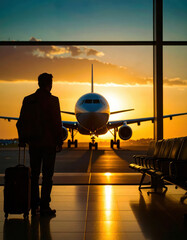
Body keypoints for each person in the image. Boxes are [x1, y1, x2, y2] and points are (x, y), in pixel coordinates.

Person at [16, 73, 63, 216]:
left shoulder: (28, 100)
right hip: (49, 145)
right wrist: (59, 141)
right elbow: (57, 123)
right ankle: (44, 207)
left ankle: (33, 205)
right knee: (47, 177)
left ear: (38, 83)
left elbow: (21, 122)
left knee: (34, 176)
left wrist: (23, 139)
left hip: (34, 144)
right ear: (50, 84)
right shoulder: (53, 101)